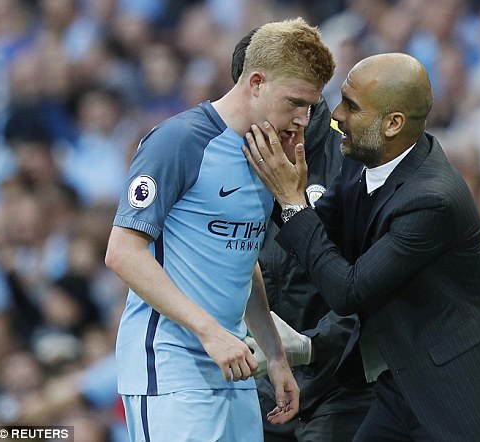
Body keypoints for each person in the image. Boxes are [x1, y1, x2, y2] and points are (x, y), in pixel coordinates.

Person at [244, 52, 480, 442]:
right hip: (402, 379)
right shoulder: (366, 158)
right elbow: (318, 231)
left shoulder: (432, 199)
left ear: (393, 123)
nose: (337, 115)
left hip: (458, 397)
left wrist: (293, 202)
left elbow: (349, 291)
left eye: (352, 106)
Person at [104, 18, 335, 442]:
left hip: (235, 366)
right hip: (171, 370)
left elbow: (241, 260)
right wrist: (211, 332)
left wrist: (276, 355)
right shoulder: (179, 141)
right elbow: (123, 252)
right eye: (295, 102)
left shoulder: (263, 152)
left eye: (311, 107)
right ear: (257, 83)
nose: (303, 119)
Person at [231, 30, 373, 441]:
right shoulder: (220, 157)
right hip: (256, 385)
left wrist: (311, 346)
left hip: (343, 385)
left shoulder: (353, 162)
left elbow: (371, 281)